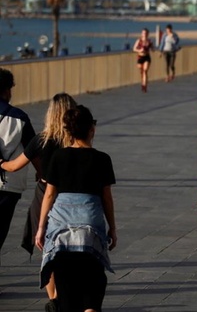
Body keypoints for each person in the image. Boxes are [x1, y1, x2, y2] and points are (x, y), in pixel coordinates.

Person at [36, 105, 116, 312]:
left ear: (69, 132)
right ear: (92, 129)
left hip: (61, 230)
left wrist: (41, 227)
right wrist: (113, 229)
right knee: (92, 288)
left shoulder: (59, 157)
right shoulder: (102, 159)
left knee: (66, 289)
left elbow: (49, 194)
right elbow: (106, 198)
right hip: (90, 228)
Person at [0, 92, 76, 308]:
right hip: (72, 197)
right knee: (69, 248)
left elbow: (14, 166)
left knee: (48, 249)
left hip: (45, 195)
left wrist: (1, 163)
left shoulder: (41, 140)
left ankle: (54, 300)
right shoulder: (77, 139)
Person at [0, 68, 36, 255]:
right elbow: (34, 149)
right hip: (8, 186)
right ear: (7, 90)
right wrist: (42, 173)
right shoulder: (19, 117)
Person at [133, 27, 154, 92]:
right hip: (140, 57)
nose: (144, 34)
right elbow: (134, 49)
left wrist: (151, 48)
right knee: (141, 71)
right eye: (143, 33)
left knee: (145, 70)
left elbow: (153, 49)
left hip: (147, 57)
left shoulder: (149, 41)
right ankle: (143, 83)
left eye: (145, 33)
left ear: (147, 34)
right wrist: (140, 50)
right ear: (141, 34)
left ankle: (145, 86)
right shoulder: (139, 40)